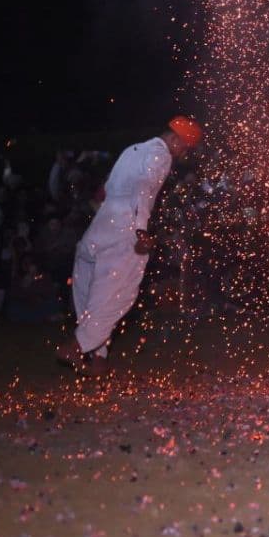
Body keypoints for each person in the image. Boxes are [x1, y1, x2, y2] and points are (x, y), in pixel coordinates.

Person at [56, 117, 203, 375]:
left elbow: (108, 188)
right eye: (185, 148)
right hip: (127, 227)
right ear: (175, 139)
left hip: (102, 224)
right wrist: (141, 229)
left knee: (93, 291)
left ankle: (98, 358)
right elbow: (143, 190)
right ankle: (77, 346)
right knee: (118, 293)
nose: (183, 154)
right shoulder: (162, 156)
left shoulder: (132, 149)